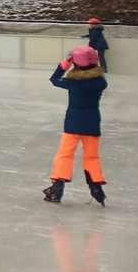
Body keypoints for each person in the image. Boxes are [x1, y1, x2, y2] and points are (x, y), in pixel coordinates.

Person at [44, 46, 108, 205]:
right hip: (92, 123)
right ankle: (96, 186)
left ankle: (57, 187)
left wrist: (64, 64)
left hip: (73, 123)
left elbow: (54, 79)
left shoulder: (72, 82)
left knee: (65, 154)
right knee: (91, 156)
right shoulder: (100, 82)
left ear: (76, 63)